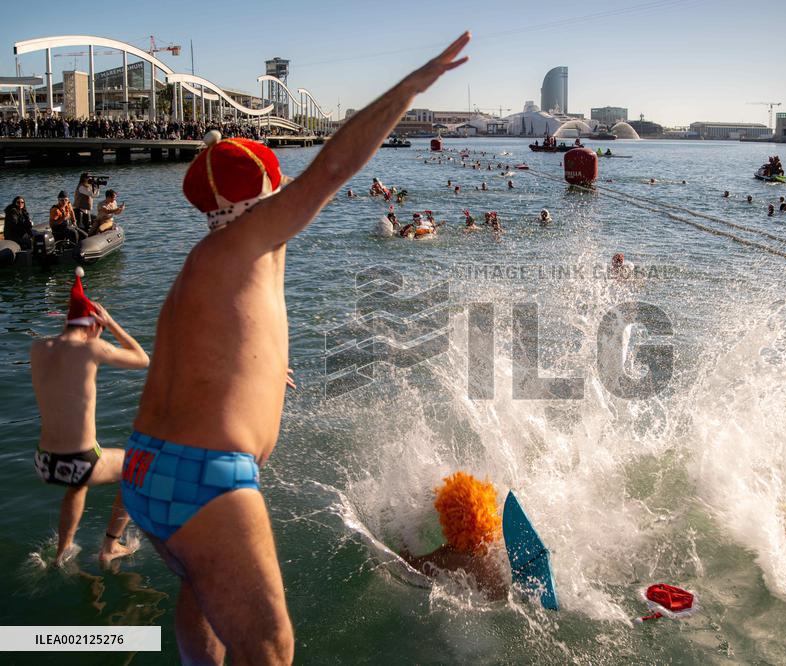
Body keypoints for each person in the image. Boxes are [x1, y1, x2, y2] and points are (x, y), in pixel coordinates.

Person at [120, 31, 470, 664]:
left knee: (202, 593)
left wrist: (259, 371)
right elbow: (333, 168)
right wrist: (409, 88)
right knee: (271, 647)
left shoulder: (211, 259)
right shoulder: (252, 237)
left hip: (149, 471)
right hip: (205, 476)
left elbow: (195, 355)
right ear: (265, 193)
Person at [31, 268, 149, 565]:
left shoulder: (38, 349)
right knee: (135, 467)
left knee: (78, 482)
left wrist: (88, 330)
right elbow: (142, 359)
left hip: (45, 463)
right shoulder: (92, 348)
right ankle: (111, 547)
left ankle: (62, 552)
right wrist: (111, 324)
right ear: (93, 324)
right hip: (79, 461)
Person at [402, 472, 507, 600]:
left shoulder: (449, 556)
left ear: (450, 521)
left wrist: (404, 534)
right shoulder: (497, 549)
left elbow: (408, 567)